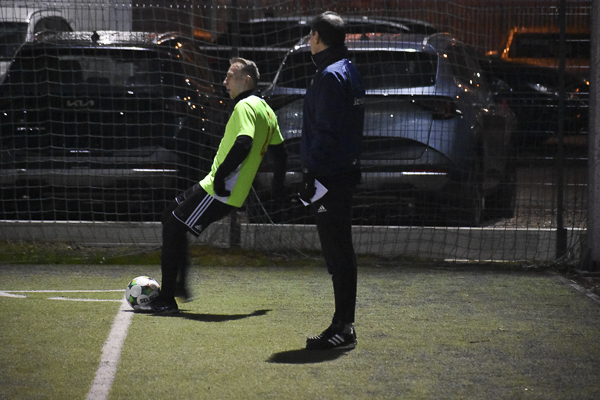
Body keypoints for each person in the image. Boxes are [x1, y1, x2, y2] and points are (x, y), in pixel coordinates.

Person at [142, 57, 287, 313]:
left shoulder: (245, 106)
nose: (224, 81)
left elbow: (244, 143)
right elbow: (281, 154)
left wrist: (220, 178)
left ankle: (167, 299)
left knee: (174, 226)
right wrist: (277, 189)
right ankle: (178, 286)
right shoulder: (266, 110)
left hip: (221, 190)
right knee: (169, 216)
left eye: (230, 76)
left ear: (247, 80)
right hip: (218, 185)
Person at [299, 12, 365, 350]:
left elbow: (326, 132)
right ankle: (342, 324)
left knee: (337, 253)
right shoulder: (348, 69)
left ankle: (344, 328)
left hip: (330, 177)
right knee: (341, 251)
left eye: (310, 35)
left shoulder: (329, 75)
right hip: (343, 173)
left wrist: (310, 172)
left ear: (316, 37)